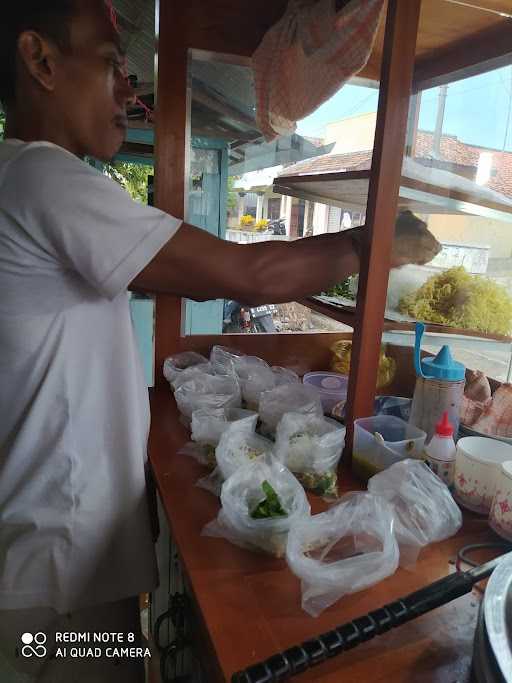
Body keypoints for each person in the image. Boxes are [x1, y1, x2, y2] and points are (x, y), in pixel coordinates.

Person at [0, 1, 441, 681]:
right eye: (113, 65)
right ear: (39, 60)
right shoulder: (43, 179)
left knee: (130, 662)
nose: (130, 89)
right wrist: (369, 241)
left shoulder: (21, 182)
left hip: (61, 563)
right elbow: (248, 274)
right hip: (58, 585)